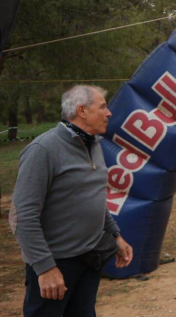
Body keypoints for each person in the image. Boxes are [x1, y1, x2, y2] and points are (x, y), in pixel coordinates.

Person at [9, 85, 133, 317]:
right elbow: (21, 216)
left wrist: (115, 235)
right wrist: (45, 267)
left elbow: (94, 197)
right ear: (82, 111)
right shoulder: (43, 150)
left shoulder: (93, 144)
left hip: (90, 258)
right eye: (103, 107)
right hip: (55, 264)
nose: (109, 113)